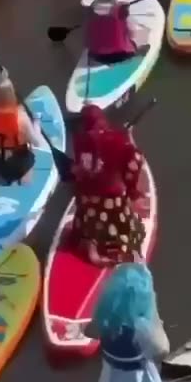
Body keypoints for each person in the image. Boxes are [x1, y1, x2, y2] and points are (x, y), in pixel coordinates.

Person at [70, 105, 146, 266]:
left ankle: (91, 245)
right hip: (113, 197)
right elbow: (135, 159)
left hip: (88, 197)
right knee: (121, 218)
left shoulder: (79, 140)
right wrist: (132, 189)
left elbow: (80, 168)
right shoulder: (118, 138)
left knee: (90, 213)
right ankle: (118, 246)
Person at [0, 71, 41, 186]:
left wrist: (0, 79)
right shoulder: (21, 117)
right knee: (30, 150)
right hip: (19, 164)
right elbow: (37, 142)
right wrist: (36, 122)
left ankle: (0, 175)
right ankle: (25, 176)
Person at [86, 0, 140, 64]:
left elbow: (89, 33)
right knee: (135, 39)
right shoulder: (121, 7)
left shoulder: (92, 9)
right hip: (121, 54)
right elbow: (132, 32)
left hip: (97, 55)